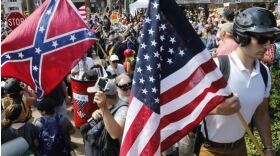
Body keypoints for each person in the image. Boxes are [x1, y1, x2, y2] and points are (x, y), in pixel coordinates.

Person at [199, 7, 278, 156]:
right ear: (243, 36)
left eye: (271, 39)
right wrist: (217, 109)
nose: (268, 46)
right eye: (262, 39)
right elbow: (188, 107)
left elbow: (261, 113)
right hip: (210, 150)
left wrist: (268, 148)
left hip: (241, 149)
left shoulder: (264, 73)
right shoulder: (217, 68)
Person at [84, 80, 128, 155]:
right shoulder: (109, 104)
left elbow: (115, 134)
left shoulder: (123, 110)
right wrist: (96, 114)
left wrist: (103, 107)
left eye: (97, 94)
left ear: (103, 97)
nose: (95, 96)